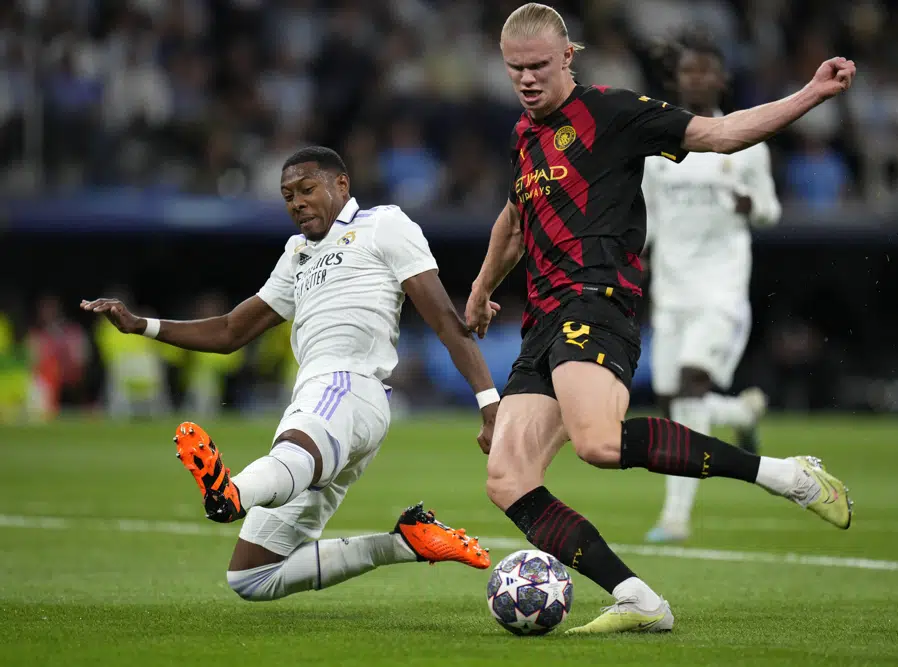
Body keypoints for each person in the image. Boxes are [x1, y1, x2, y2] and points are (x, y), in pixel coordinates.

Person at [464, 3, 855, 634]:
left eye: (538, 66)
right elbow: (515, 219)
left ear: (568, 56)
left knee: (598, 443)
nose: (527, 80)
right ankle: (639, 598)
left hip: (596, 301)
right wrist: (483, 288)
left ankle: (787, 477)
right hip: (543, 320)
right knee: (507, 478)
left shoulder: (614, 113)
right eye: (515, 70)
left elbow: (720, 135)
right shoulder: (523, 136)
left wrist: (811, 93)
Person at [82, 146, 499, 602]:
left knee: (288, 460)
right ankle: (405, 542)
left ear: (341, 184)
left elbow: (443, 318)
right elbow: (230, 330)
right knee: (252, 577)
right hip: (329, 407)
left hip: (347, 382)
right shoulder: (298, 252)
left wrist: (489, 405)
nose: (296, 202)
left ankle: (233, 493)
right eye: (287, 195)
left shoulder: (384, 224)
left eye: (306, 189)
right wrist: (143, 324)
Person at [640, 28, 781, 544]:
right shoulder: (659, 147)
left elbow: (770, 208)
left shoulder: (745, 142)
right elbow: (650, 221)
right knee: (672, 404)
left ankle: (675, 518)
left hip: (720, 291)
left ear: (722, 78)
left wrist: (752, 206)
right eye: (688, 70)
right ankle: (741, 411)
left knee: (691, 388)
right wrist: (636, 260)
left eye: (706, 69)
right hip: (671, 294)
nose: (697, 77)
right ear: (677, 80)